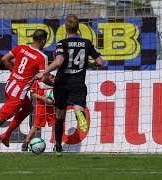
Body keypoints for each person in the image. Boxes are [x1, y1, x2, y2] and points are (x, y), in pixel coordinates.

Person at [35, 14, 104, 157]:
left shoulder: (62, 43)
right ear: (78, 27)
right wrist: (88, 64)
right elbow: (100, 62)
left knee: (60, 117)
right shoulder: (87, 43)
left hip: (62, 84)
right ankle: (79, 113)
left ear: (65, 27)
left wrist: (44, 72)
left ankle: (58, 147)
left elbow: (59, 62)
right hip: (78, 82)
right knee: (78, 106)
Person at [21, 74, 56, 151]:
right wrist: (44, 99)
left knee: (55, 125)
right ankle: (26, 143)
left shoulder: (55, 78)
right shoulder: (37, 79)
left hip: (52, 107)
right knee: (36, 125)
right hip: (41, 106)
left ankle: (57, 145)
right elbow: (33, 94)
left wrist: (54, 100)